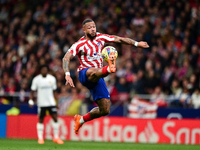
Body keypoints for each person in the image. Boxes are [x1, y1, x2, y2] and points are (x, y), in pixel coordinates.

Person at [62, 19, 149, 134]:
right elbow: (66, 58)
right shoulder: (79, 45)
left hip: (98, 77)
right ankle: (109, 68)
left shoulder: (101, 37)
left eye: (94, 26)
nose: (93, 29)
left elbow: (119, 39)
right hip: (85, 74)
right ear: (84, 30)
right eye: (89, 27)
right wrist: (67, 74)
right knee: (93, 71)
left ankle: (81, 120)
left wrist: (136, 44)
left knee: (105, 109)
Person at [29, 65, 64, 144]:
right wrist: (31, 100)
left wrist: (56, 103)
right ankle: (40, 138)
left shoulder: (52, 79)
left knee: (55, 118)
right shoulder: (36, 79)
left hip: (51, 102)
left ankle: (56, 137)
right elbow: (32, 91)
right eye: (43, 70)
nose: (44, 71)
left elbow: (54, 92)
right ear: (40, 70)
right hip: (41, 103)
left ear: (47, 71)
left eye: (45, 70)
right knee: (41, 119)